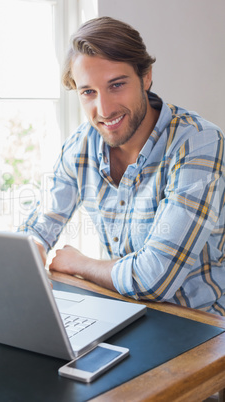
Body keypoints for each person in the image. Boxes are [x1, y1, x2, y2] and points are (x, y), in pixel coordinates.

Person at [19, 16, 225, 316]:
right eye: (88, 92)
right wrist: (32, 248)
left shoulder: (198, 142)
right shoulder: (82, 145)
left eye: (116, 85)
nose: (103, 110)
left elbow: (154, 278)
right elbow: (39, 226)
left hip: (203, 329)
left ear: (146, 77)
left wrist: (80, 264)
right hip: (129, 313)